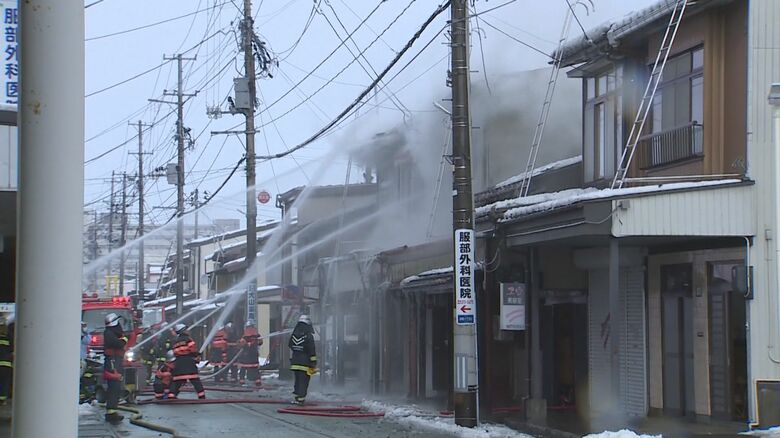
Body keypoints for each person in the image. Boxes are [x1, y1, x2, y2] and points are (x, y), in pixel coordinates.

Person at [170, 324, 205, 399]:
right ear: (183, 331)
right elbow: (192, 349)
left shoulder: (175, 341)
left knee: (177, 381)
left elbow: (174, 352)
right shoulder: (188, 339)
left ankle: (171, 395)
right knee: (195, 380)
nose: (188, 331)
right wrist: (197, 355)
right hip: (189, 362)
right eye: (186, 329)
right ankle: (201, 396)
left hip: (178, 362)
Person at [103, 312, 127, 424]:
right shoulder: (109, 333)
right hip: (112, 362)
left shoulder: (111, 332)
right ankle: (111, 413)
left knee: (116, 388)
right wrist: (125, 339)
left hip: (115, 361)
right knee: (114, 387)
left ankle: (113, 411)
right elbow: (118, 344)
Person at [288, 315, 316, 406]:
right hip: (305, 363)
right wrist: (313, 361)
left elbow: (290, 345)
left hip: (295, 362)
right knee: (304, 381)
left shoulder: (294, 334)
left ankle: (297, 397)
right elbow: (311, 349)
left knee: (297, 381)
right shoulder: (308, 335)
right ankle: (301, 400)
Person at [237, 323, 263, 387]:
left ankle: (241, 381)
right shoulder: (257, 334)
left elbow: (242, 343)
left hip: (246, 354)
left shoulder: (245, 334)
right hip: (254, 354)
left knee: (243, 368)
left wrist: (239, 344)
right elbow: (260, 342)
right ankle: (258, 382)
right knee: (255, 369)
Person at [0, 315, 13, 405]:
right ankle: (2, 400)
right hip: (7, 364)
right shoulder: (9, 338)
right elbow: (13, 350)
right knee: (5, 382)